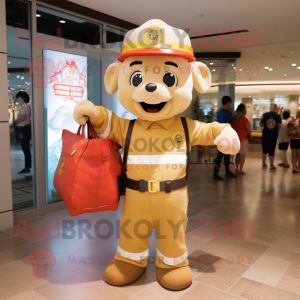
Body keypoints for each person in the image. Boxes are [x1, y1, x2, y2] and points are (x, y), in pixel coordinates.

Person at [213, 96, 237, 179]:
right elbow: (228, 126)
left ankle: (226, 171)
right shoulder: (227, 113)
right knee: (222, 155)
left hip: (220, 135)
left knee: (224, 155)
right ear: (229, 102)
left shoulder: (219, 112)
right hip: (226, 136)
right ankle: (216, 173)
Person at [260, 103, 281, 172]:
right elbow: (279, 126)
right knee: (272, 151)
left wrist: (261, 120)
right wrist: (277, 134)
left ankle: (263, 164)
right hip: (273, 135)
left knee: (264, 150)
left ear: (270, 108)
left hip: (265, 135)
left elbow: (261, 124)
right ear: (275, 108)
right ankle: (271, 166)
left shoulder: (265, 115)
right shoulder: (278, 116)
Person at [231, 103, 252, 174]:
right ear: (244, 111)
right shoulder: (245, 119)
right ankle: (240, 170)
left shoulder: (233, 118)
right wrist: (250, 137)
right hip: (243, 139)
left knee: (237, 155)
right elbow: (248, 130)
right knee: (242, 155)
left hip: (235, 139)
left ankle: (236, 168)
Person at [14, 91, 31, 174]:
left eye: (19, 98)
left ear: (23, 98)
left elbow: (22, 117)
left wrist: (15, 122)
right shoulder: (25, 106)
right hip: (25, 129)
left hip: (23, 130)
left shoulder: (24, 106)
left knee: (25, 149)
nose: (18, 100)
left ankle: (27, 167)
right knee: (26, 149)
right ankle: (27, 167)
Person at [289, 109, 300, 173]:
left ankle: (294, 168)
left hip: (293, 139)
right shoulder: (294, 121)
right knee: (298, 155)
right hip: (298, 139)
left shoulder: (293, 121)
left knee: (293, 155)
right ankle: (298, 167)